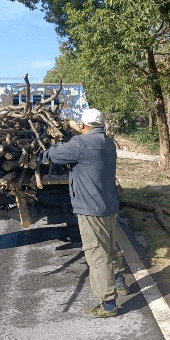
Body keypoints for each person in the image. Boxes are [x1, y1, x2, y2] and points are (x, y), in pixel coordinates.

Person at [39, 108, 127, 318]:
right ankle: (120, 281)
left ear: (84, 126)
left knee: (97, 254)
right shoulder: (108, 143)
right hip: (109, 206)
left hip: (90, 208)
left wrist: (43, 155)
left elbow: (55, 154)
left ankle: (108, 304)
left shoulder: (80, 144)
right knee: (109, 245)